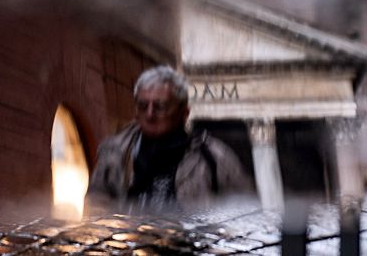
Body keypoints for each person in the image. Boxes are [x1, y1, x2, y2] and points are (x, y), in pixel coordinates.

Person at [87, 66, 252, 213]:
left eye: (160, 107)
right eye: (143, 106)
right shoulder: (115, 152)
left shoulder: (214, 157)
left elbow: (244, 214)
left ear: (184, 112)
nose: (150, 115)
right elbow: (95, 209)